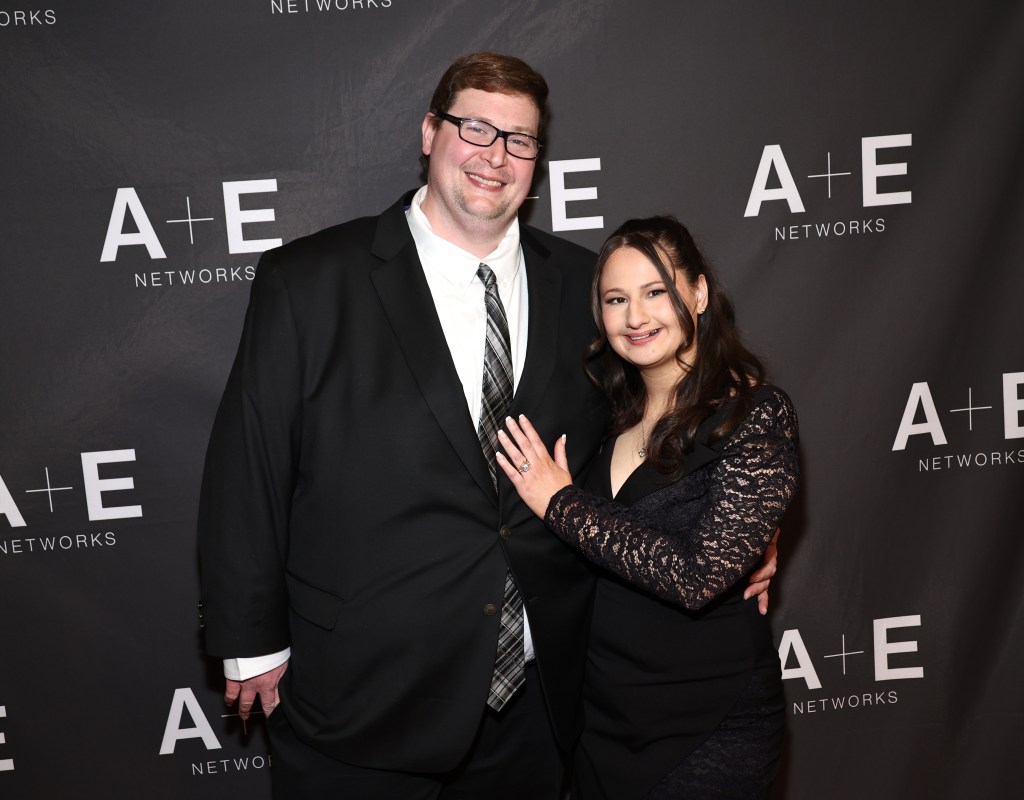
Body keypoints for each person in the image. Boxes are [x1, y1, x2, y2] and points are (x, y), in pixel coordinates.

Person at [198, 53, 776, 799]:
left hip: (539, 705)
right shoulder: (309, 282)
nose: (495, 155)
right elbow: (249, 466)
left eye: (520, 140)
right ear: (430, 132)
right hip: (362, 700)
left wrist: (752, 522)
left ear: (537, 162)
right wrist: (250, 643)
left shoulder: (587, 289)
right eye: (476, 128)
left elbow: (682, 407)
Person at [497, 216, 799, 799]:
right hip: (601, 717)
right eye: (616, 299)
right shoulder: (603, 414)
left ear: (699, 293)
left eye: (656, 291)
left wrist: (559, 502)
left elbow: (697, 575)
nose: (635, 317)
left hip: (705, 725)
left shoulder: (754, 414)